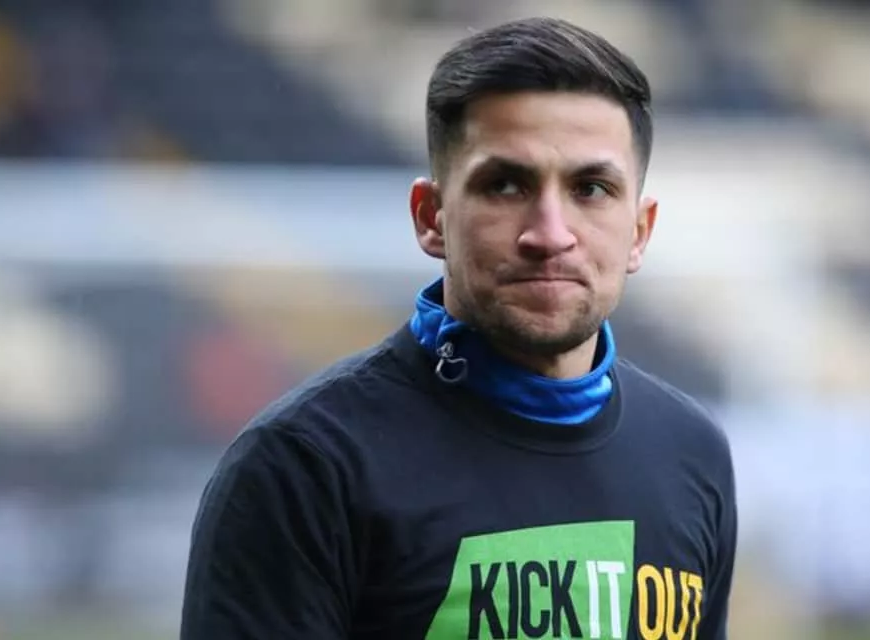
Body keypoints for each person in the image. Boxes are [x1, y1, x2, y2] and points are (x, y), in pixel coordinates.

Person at [180, 16, 737, 640]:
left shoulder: (692, 455)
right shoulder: (306, 467)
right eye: (505, 185)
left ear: (639, 231)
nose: (550, 234)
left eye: (590, 188)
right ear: (431, 217)